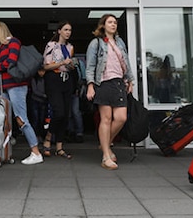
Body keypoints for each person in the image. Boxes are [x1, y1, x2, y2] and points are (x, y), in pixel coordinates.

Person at [85, 14, 134, 170]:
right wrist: (90, 85)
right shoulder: (96, 43)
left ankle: (104, 144)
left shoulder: (120, 42)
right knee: (105, 119)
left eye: (115, 22)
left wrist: (130, 80)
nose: (113, 25)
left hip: (119, 83)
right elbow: (90, 66)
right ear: (103, 25)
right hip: (103, 83)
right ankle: (106, 156)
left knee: (121, 118)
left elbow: (126, 62)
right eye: (110, 22)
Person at [0, 21, 43, 165]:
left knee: (21, 118)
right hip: (6, 86)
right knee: (3, 118)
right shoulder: (0, 47)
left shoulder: (13, 42)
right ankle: (5, 149)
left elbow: (11, 61)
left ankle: (36, 152)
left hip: (16, 86)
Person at [41, 21, 76, 159]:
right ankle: (48, 138)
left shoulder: (70, 47)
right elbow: (45, 66)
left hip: (66, 79)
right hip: (53, 79)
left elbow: (69, 65)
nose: (68, 32)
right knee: (59, 112)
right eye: (66, 29)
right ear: (59, 31)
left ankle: (60, 147)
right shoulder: (51, 45)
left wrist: (71, 66)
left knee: (66, 114)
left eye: (70, 30)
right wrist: (62, 63)